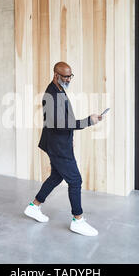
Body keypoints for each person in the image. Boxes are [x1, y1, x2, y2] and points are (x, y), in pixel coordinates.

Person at [24, 61, 102, 236]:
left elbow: (65, 121)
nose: (68, 79)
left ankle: (34, 207)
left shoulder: (60, 89)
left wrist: (70, 138)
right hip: (57, 146)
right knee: (75, 181)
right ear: (55, 75)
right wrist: (88, 121)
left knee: (56, 176)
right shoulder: (51, 95)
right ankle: (78, 220)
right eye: (65, 76)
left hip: (61, 143)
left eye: (70, 76)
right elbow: (59, 125)